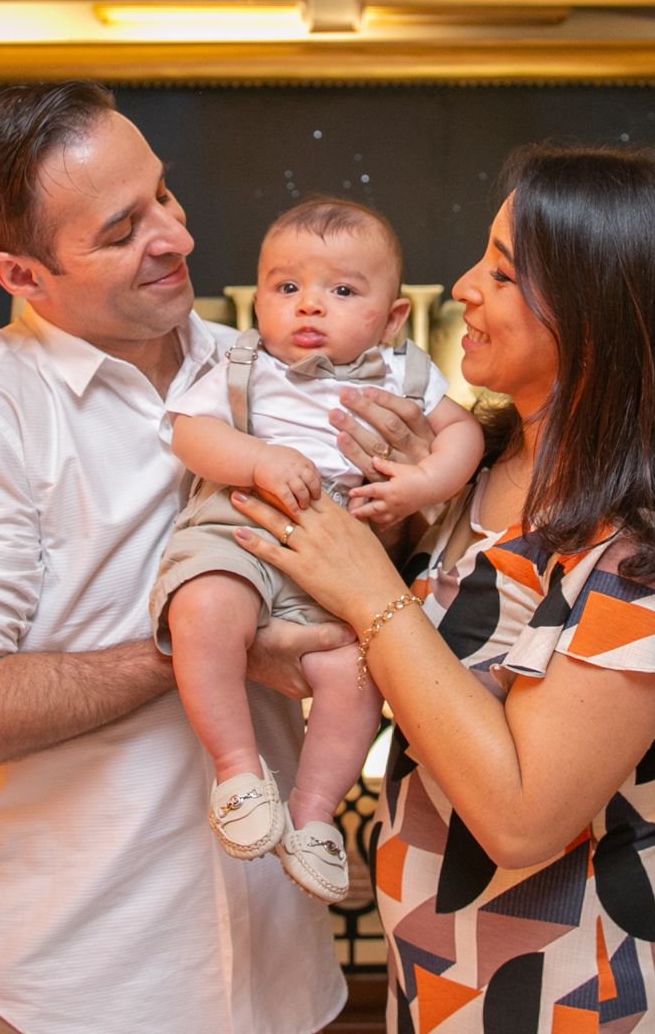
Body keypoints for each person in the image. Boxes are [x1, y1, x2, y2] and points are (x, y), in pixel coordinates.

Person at [0, 82, 429, 1033]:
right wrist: (198, 648)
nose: (175, 236)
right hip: (76, 984)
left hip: (285, 973)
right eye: (121, 229)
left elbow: (374, 568)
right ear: (20, 274)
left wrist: (400, 500)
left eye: (163, 197)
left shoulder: (275, 364)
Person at [224, 143, 655, 1031]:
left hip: (574, 992)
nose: (466, 287)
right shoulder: (472, 469)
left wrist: (371, 590)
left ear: (601, 311)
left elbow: (523, 820)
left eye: (503, 271)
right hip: (439, 975)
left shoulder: (644, 562)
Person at [150, 198, 484, 903]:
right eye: (286, 287)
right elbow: (188, 433)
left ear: (392, 318)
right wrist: (257, 459)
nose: (308, 307)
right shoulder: (243, 363)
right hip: (240, 527)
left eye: (341, 291)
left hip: (342, 555)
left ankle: (313, 814)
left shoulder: (404, 374)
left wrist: (419, 482)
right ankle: (238, 769)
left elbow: (464, 436)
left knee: (356, 670)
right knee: (205, 607)